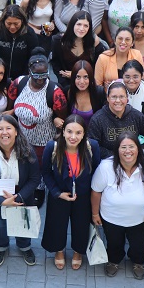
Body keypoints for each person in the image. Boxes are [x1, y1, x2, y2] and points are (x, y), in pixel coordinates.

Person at [91, 131, 144, 279]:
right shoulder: (106, 167)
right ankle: (114, 261)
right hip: (111, 219)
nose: (128, 151)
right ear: (117, 150)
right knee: (114, 243)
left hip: (140, 219)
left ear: (138, 148)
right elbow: (96, 192)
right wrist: (95, 213)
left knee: (140, 245)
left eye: (131, 146)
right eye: (123, 147)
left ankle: (138, 262)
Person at [0, 115, 41, 267]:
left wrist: (19, 197)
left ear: (16, 131)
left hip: (22, 198)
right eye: (0, 129)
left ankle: (24, 246)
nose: (4, 132)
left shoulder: (27, 151)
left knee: (23, 224)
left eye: (8, 128)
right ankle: (1, 247)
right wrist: (2, 202)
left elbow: (35, 178)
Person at [41, 115, 101, 270]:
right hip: (59, 194)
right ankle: (59, 250)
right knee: (57, 224)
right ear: (63, 132)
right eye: (69, 132)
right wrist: (56, 192)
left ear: (84, 134)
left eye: (78, 133)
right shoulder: (51, 147)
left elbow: (96, 171)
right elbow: (45, 172)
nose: (73, 137)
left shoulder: (92, 147)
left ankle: (77, 251)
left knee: (81, 225)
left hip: (83, 195)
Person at [8, 48, 69, 163]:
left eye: (44, 74)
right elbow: (10, 105)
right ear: (29, 72)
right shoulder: (18, 83)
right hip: (20, 140)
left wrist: (55, 119)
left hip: (44, 145)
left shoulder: (55, 93)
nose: (41, 78)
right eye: (36, 74)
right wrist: (12, 111)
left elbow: (63, 119)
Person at [88, 82, 144, 153]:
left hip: (135, 156)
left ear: (127, 98)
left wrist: (136, 152)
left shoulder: (137, 116)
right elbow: (94, 146)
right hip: (109, 159)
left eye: (121, 97)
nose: (118, 101)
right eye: (114, 97)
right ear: (107, 98)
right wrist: (117, 156)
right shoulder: (97, 119)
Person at [50, 12, 106, 91]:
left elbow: (99, 66)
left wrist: (77, 75)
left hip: (87, 83)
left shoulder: (94, 42)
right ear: (72, 24)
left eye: (86, 26)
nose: (81, 29)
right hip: (65, 83)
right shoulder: (58, 41)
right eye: (79, 24)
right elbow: (56, 64)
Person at [0, 5, 38, 79]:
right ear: (3, 21)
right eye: (9, 23)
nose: (12, 27)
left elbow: (33, 57)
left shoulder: (29, 34)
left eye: (16, 24)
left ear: (22, 21)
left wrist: (23, 77)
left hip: (22, 77)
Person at [66, 60, 106, 126]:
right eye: (78, 77)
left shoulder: (99, 92)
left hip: (94, 134)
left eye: (85, 77)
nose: (82, 81)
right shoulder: (68, 92)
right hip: (75, 135)